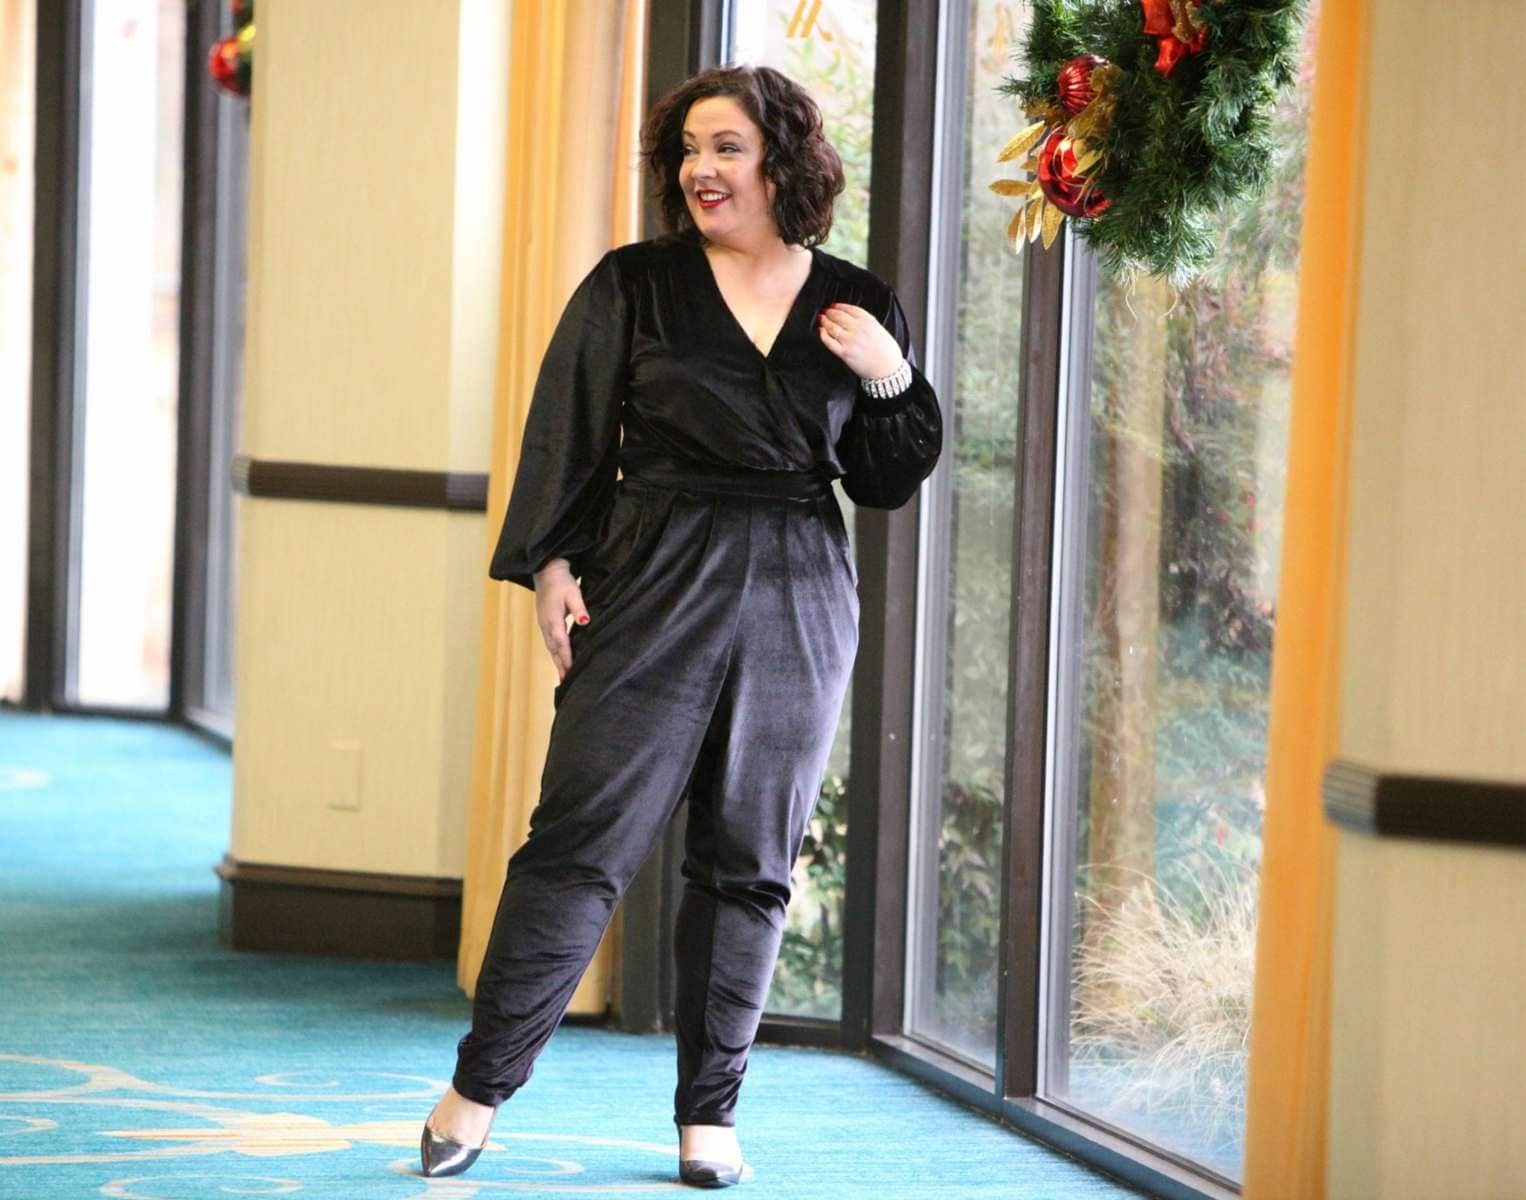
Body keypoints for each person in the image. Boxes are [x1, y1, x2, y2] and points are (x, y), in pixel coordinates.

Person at [419, 63, 942, 1187]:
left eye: (726, 149)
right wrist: (552, 564)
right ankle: (477, 1090)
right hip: (653, 569)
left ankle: (710, 1118)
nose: (701, 170)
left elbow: (883, 480)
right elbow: (565, 430)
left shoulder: (855, 302)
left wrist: (891, 375)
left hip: (800, 588)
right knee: (579, 841)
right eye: (689, 151)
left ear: (782, 163)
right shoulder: (635, 285)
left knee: (750, 860)